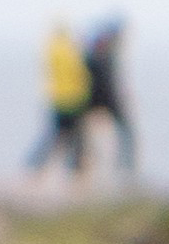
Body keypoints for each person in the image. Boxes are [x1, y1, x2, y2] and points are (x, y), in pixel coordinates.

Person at [26, 21, 93, 177]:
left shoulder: (51, 49)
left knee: (55, 135)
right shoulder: (70, 50)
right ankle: (74, 169)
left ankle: (34, 164)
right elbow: (79, 74)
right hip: (73, 99)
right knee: (75, 137)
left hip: (57, 98)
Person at [79, 17, 136, 180]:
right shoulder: (98, 57)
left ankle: (124, 168)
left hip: (99, 100)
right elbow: (106, 82)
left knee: (124, 133)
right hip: (101, 100)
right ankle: (81, 167)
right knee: (83, 136)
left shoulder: (102, 55)